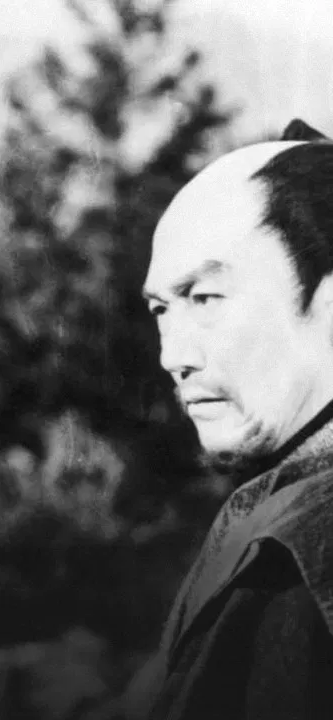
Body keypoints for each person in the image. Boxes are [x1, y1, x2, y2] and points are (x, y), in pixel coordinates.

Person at [141, 118, 333, 719]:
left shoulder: (295, 561)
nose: (173, 357)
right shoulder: (279, 515)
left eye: (204, 298)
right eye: (160, 310)